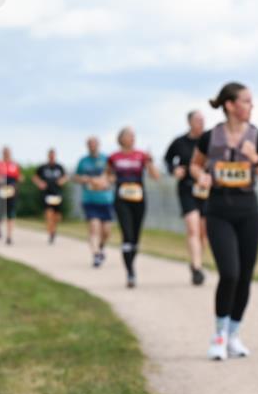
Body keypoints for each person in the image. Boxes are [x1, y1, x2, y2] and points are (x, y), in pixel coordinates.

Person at [190, 82, 258, 361]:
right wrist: (201, 175)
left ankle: (234, 334)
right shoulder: (210, 137)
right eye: (246, 101)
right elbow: (195, 164)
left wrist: (254, 160)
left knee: (245, 276)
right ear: (230, 105)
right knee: (229, 273)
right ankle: (219, 335)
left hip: (248, 211)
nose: (251, 106)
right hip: (218, 211)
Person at [107, 127, 160, 287]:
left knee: (135, 238)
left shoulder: (141, 155)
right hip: (121, 200)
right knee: (127, 235)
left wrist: (150, 162)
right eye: (129, 135)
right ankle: (130, 272)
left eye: (133, 136)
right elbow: (108, 175)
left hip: (139, 199)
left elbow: (155, 176)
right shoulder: (114, 157)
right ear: (121, 138)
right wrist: (107, 180)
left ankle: (131, 263)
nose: (132, 138)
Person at [165, 110, 208, 285]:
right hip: (187, 188)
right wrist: (174, 169)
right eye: (197, 120)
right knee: (192, 228)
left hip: (206, 189)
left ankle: (196, 261)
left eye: (203, 120)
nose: (201, 123)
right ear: (189, 122)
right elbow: (168, 159)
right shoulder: (179, 142)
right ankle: (197, 268)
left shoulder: (209, 140)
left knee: (203, 232)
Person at [74, 137, 114, 267]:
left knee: (106, 231)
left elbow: (113, 176)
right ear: (87, 146)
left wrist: (105, 182)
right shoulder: (83, 161)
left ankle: (100, 247)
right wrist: (84, 179)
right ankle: (96, 254)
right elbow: (76, 177)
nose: (92, 146)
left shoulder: (106, 159)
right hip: (89, 199)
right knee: (94, 227)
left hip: (106, 200)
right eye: (90, 144)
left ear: (98, 145)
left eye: (94, 144)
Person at [33, 148, 68, 244]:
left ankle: (53, 229)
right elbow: (35, 177)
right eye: (50, 155)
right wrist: (40, 183)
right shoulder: (43, 167)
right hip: (47, 194)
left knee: (57, 216)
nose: (52, 157)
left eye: (53, 155)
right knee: (48, 214)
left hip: (57, 193)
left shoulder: (59, 167)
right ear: (48, 156)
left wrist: (62, 181)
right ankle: (51, 233)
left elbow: (65, 176)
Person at [0, 146, 23, 245]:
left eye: (8, 152)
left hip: (11, 191)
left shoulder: (14, 164)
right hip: (0, 190)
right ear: (3, 154)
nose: (7, 154)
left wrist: (19, 180)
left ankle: (9, 237)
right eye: (5, 152)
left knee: (10, 214)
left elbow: (19, 177)